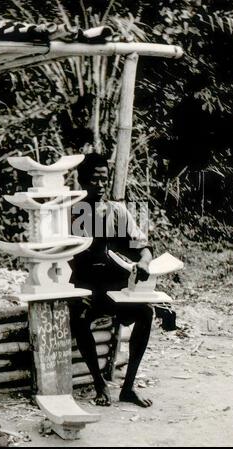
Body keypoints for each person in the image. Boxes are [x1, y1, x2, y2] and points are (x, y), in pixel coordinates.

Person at [70, 153, 153, 408]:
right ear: (82, 181)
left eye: (104, 179)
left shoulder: (118, 211)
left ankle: (128, 387)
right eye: (95, 179)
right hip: (85, 288)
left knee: (146, 313)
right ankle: (99, 383)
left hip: (114, 290)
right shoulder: (70, 213)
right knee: (78, 318)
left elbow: (144, 247)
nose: (101, 184)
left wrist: (144, 262)